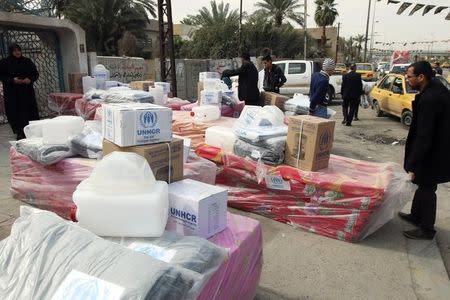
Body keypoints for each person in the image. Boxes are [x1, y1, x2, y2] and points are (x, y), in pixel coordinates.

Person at [399, 61, 450, 240]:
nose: (407, 78)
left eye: (409, 76)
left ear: (421, 77)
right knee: (423, 185)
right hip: (435, 149)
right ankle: (415, 216)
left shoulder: (430, 99)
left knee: (427, 189)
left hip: (434, 152)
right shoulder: (434, 88)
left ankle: (427, 229)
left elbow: (424, 136)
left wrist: (412, 163)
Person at [0, 43, 39, 140]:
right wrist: (13, 80)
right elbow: (2, 76)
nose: (17, 52)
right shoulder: (4, 62)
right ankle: (19, 132)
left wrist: (30, 79)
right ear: (11, 52)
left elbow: (35, 74)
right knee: (15, 112)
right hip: (12, 93)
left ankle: (32, 130)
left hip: (26, 92)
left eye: (18, 50)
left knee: (29, 111)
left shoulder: (27, 61)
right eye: (14, 50)